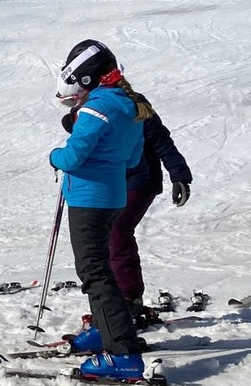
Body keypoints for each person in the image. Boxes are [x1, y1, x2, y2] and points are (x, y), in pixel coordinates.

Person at [50, 39, 151, 381]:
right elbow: (133, 159)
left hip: (88, 200)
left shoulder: (96, 108)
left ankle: (123, 354)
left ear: (87, 78)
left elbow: (73, 156)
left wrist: (54, 156)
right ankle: (105, 331)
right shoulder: (130, 105)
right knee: (102, 269)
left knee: (95, 274)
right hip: (113, 197)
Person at [66, 94, 192, 326]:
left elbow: (161, 139)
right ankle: (113, 302)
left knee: (118, 230)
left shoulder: (132, 104)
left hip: (141, 179)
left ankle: (128, 299)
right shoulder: (96, 104)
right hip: (115, 181)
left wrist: (179, 175)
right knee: (104, 235)